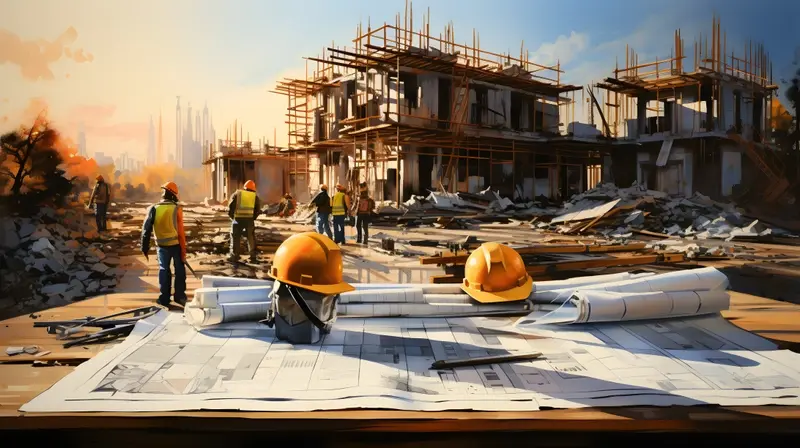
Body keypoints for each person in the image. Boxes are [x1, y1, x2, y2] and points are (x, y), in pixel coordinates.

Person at [141, 181, 187, 307]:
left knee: (164, 270)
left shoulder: (154, 208)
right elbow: (181, 233)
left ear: (164, 193)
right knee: (179, 270)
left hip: (161, 246)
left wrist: (144, 247)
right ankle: (179, 297)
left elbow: (146, 229)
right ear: (174, 195)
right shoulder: (177, 208)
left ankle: (164, 298)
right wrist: (183, 250)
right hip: (176, 245)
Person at [228, 180, 261, 263]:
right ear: (253, 189)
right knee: (250, 237)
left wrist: (232, 217)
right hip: (249, 220)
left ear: (245, 187)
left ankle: (235, 256)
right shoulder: (255, 196)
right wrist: (252, 218)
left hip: (237, 220)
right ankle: (252, 256)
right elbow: (257, 210)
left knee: (235, 236)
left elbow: (231, 206)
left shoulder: (237, 194)